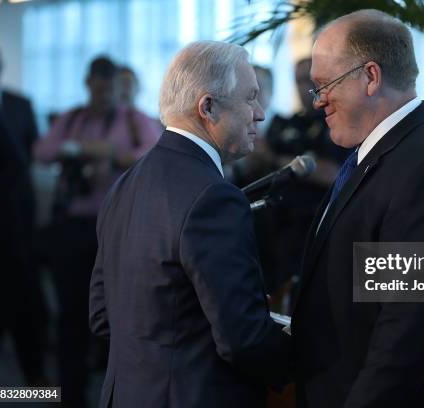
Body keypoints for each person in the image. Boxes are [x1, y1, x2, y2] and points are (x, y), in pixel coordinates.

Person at [291, 10, 424, 408]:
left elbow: (408, 334)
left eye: (325, 86)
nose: (317, 101)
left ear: (371, 77)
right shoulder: (382, 157)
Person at [89, 41, 291, 408]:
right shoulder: (214, 198)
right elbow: (242, 338)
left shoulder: (124, 184)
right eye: (250, 98)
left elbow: (103, 317)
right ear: (208, 107)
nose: (260, 113)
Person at [33, 55, 160, 407]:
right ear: (88, 84)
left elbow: (154, 155)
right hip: (74, 228)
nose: (104, 93)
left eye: (111, 87)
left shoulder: (136, 121)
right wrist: (79, 150)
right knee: (71, 315)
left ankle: (116, 396)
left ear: (120, 87)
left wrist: (114, 154)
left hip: (121, 233)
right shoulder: (72, 118)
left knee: (119, 318)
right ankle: (69, 398)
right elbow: (41, 151)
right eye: (97, 85)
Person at [0, 48, 48, 387]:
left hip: (13, 218)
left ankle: (34, 379)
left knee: (21, 290)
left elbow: (26, 158)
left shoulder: (19, 105)